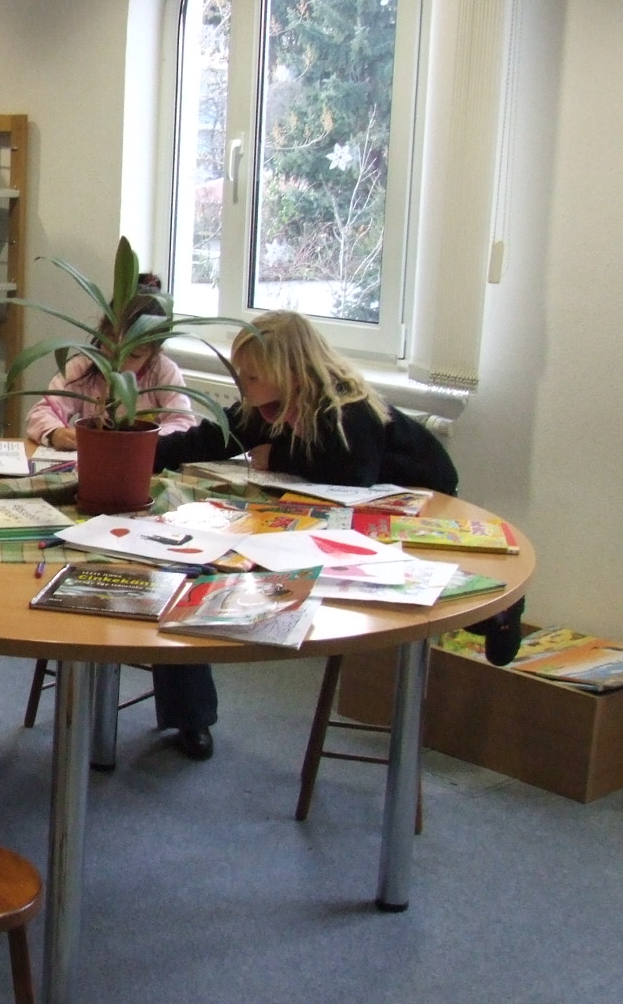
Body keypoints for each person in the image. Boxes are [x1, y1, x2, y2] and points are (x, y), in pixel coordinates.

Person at [147, 310, 458, 760]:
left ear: (290, 373)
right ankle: (190, 715)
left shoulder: (346, 408)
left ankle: (498, 617)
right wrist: (137, 451)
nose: (242, 384)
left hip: (424, 500)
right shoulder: (267, 406)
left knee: (414, 579)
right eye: (241, 373)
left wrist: (279, 456)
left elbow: (352, 474)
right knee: (205, 559)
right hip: (354, 506)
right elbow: (210, 440)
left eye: (252, 376)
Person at [24, 275, 197, 449]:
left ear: (154, 353)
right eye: (110, 342)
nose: (117, 360)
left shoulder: (162, 372)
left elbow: (184, 423)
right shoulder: (83, 366)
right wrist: (56, 433)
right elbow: (41, 412)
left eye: (134, 354)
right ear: (102, 328)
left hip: (141, 459)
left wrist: (143, 439)